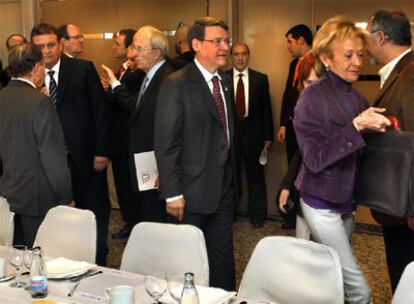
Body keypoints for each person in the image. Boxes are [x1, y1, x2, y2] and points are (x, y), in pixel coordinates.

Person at [293, 16, 391, 303]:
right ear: (326, 58)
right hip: (320, 202)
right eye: (347, 55)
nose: (357, 62)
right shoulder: (311, 98)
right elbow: (313, 158)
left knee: (333, 272)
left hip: (345, 201)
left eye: (360, 54)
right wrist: (357, 127)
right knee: (359, 287)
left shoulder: (359, 99)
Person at [154, 16, 237, 291]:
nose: (224, 47)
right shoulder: (176, 83)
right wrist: (172, 192)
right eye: (217, 41)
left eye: (226, 40)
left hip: (223, 185)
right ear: (197, 44)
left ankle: (224, 297)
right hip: (188, 192)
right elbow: (166, 142)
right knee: (188, 260)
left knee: (222, 255)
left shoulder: (223, 82)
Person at [31, 23, 111, 266]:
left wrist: (101, 150)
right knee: (59, 220)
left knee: (93, 214)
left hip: (86, 157)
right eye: (40, 46)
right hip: (49, 163)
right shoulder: (29, 76)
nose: (46, 51)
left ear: (60, 44)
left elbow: (101, 111)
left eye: (51, 45)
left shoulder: (82, 69)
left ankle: (98, 263)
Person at [0, 43, 73, 247]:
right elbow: (53, 158)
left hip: (8, 191)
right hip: (40, 196)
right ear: (37, 69)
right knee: (42, 258)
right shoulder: (40, 102)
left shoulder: (2, 97)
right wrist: (66, 196)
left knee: (13, 254)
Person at [102, 25, 174, 223]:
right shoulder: (149, 76)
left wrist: (165, 170)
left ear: (156, 52)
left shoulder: (167, 79)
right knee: (148, 213)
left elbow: (168, 129)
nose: (132, 54)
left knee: (157, 218)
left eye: (138, 48)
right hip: (145, 163)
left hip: (156, 164)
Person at [366, 9, 414, 293]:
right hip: (398, 205)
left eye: (367, 37)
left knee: (406, 279)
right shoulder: (400, 72)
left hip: (405, 209)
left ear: (381, 37)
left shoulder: (410, 76)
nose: (364, 47)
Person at [226, 42, 273, 228]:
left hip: (254, 135)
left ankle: (258, 215)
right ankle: (230, 213)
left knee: (256, 177)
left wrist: (267, 137)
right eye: (236, 54)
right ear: (231, 56)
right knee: (231, 176)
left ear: (248, 55)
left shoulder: (260, 79)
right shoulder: (223, 78)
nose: (240, 58)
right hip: (230, 136)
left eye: (244, 54)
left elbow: (266, 110)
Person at [278, 52, 320, 239]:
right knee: (303, 247)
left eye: (316, 83)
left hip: (334, 199)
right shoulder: (304, 110)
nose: (311, 89)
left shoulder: (339, 110)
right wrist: (287, 185)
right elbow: (301, 153)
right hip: (307, 191)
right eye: (307, 84)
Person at [109, 29, 145, 240]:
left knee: (131, 187)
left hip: (130, 138)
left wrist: (114, 87)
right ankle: (129, 221)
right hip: (118, 139)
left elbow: (132, 105)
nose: (114, 47)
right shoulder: (123, 69)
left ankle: (135, 224)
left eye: (118, 43)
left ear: (130, 47)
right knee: (122, 185)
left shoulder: (139, 73)